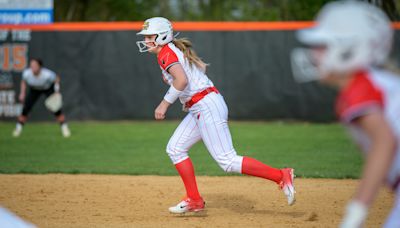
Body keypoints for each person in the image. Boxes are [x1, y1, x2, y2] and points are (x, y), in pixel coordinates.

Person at [136, 17, 295, 214]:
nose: (145, 41)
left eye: (149, 36)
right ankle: (194, 199)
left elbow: (182, 80)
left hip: (206, 105)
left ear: (162, 36)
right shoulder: (170, 51)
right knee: (175, 149)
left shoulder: (166, 53)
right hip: (200, 105)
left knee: (227, 160)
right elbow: (193, 73)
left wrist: (164, 104)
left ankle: (281, 175)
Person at [291, 1, 400, 227]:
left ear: (351, 48)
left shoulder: (360, 88)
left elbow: (385, 142)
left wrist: (356, 212)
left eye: (322, 45)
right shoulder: (372, 83)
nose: (314, 53)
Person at [12, 58, 71, 138]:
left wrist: (56, 91)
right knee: (26, 109)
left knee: (56, 109)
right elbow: (23, 81)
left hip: (47, 88)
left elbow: (56, 79)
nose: (32, 67)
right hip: (34, 89)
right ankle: (18, 129)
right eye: (31, 65)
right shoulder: (27, 73)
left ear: (40, 66)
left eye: (35, 65)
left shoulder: (47, 74)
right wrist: (22, 93)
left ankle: (64, 128)